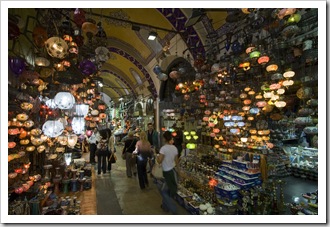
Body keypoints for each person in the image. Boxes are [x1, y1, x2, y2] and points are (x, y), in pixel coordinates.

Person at [155, 131, 179, 214]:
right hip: (173, 171)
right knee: (168, 190)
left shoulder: (163, 148)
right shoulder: (174, 148)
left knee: (163, 191)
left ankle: (173, 209)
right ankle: (165, 206)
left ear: (164, 138)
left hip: (166, 172)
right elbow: (176, 161)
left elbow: (159, 161)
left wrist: (157, 156)